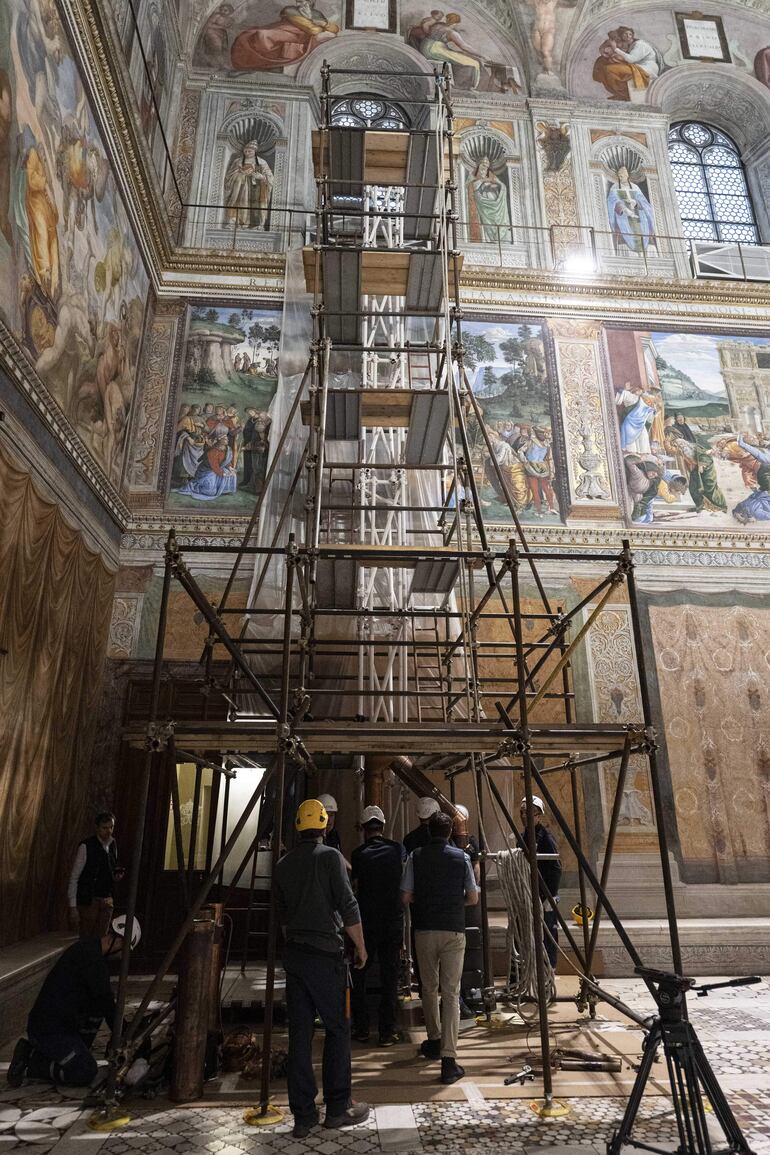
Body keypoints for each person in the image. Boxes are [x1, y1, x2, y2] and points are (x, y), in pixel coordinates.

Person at [274, 799, 370, 1138]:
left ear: (299, 826)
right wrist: (361, 947)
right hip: (325, 957)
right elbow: (348, 904)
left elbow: (283, 916)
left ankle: (303, 1116)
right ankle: (338, 1107)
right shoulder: (330, 857)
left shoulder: (283, 864)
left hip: (295, 957)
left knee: (299, 1036)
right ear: (325, 825)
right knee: (338, 1029)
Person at [6, 915, 141, 1088]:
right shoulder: (93, 962)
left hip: (60, 1024)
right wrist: (124, 1033)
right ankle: (31, 1060)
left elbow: (102, 1004)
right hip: (48, 1030)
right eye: (125, 951)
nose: (122, 957)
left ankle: (63, 1052)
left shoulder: (88, 949)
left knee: (95, 1013)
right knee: (85, 1071)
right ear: (119, 941)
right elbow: (107, 1004)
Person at [401, 810, 479, 1085]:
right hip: (453, 931)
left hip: (424, 930)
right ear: (449, 833)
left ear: (429, 831)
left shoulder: (415, 856)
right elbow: (473, 897)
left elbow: (406, 896)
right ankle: (448, 1059)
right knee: (451, 992)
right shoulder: (462, 858)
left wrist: (425, 899)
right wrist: (454, 901)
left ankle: (433, 1040)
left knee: (428, 988)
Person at [350, 806, 406, 1047]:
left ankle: (362, 1028)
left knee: (359, 973)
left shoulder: (358, 854)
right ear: (382, 827)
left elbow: (354, 886)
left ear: (364, 829)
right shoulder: (397, 849)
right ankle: (387, 1032)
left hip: (366, 923)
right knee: (390, 976)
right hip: (392, 922)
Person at [519, 796, 561, 969]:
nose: (524, 816)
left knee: (547, 933)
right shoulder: (523, 836)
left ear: (538, 815)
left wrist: (550, 896)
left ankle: (549, 968)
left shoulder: (545, 838)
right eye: (522, 812)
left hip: (543, 896)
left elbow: (555, 868)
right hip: (528, 893)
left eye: (529, 813)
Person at [67, 812, 124, 939]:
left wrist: (115, 877)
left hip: (107, 898)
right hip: (90, 899)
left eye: (111, 827)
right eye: (105, 827)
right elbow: (75, 877)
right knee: (86, 938)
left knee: (101, 938)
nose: (109, 831)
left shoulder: (113, 844)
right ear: (97, 828)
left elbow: (110, 869)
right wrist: (73, 906)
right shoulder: (86, 846)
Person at [450, 805, 481, 1020]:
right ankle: (460, 999)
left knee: (469, 950)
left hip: (463, 902)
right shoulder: (454, 847)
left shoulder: (468, 844)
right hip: (460, 903)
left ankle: (469, 993)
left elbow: (476, 870)